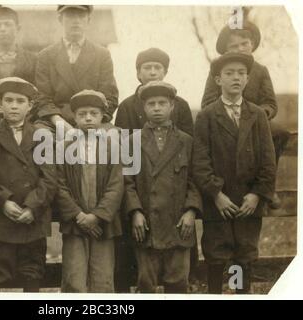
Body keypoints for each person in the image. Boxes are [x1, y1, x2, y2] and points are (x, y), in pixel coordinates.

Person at [193, 53, 276, 294]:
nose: (236, 78)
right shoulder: (207, 116)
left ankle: (240, 295)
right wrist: (216, 194)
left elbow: (268, 162)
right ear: (218, 80)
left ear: (248, 79)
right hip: (219, 202)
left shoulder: (257, 115)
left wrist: (257, 195)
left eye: (241, 73)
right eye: (229, 74)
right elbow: (200, 162)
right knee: (216, 256)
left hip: (247, 203)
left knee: (244, 254)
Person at [114, 48, 195, 292]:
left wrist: (191, 210)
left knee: (178, 283)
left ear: (173, 106)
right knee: (145, 283)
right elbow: (126, 181)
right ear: (143, 108)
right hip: (146, 224)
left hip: (179, 224)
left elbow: (195, 178)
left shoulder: (186, 141)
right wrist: (135, 211)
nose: (157, 108)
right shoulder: (132, 141)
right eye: (151, 104)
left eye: (162, 103)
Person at [0, 77, 57, 292]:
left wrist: (32, 207)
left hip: (33, 221)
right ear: (0, 104)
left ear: (30, 106)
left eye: (20, 101)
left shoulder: (41, 136)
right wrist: (4, 202)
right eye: (8, 100)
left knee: (32, 274)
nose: (13, 105)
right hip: (0, 219)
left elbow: (49, 178)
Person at [200, 21, 288, 208]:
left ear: (253, 44)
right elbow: (207, 102)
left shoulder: (261, 71)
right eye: (234, 46)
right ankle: (223, 187)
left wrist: (260, 113)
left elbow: (270, 103)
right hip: (225, 120)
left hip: (255, 122)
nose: (240, 49)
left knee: (280, 132)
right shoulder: (218, 70)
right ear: (225, 51)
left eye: (244, 44)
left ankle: (266, 186)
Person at [56, 90, 123, 292]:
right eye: (82, 114)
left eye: (93, 113)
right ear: (74, 117)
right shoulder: (62, 147)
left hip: (103, 223)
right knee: (74, 278)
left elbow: (116, 184)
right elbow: (59, 185)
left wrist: (97, 216)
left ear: (102, 116)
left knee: (102, 278)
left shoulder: (114, 146)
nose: (88, 118)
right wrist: (79, 216)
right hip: (75, 223)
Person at [34, 5, 118, 131]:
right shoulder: (45, 55)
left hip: (93, 120)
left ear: (88, 20)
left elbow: (109, 96)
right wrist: (59, 122)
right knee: (41, 136)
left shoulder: (102, 54)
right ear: (60, 19)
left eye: (81, 16)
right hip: (56, 121)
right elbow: (42, 98)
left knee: (111, 137)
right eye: (70, 16)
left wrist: (92, 120)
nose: (76, 21)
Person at [115, 48, 194, 136]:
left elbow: (188, 144)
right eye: (147, 68)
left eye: (157, 67)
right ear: (138, 73)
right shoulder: (126, 107)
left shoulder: (181, 105)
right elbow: (123, 145)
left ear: (165, 72)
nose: (153, 72)